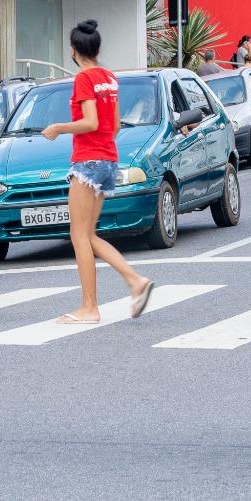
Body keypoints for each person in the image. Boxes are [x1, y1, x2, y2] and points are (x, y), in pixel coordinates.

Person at [42, 20, 154, 323]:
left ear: (73, 50)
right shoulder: (109, 77)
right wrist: (102, 147)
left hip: (88, 161)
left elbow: (90, 122)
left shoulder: (84, 79)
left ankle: (90, 307)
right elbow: (114, 124)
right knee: (88, 234)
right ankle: (134, 281)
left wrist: (59, 128)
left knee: (78, 235)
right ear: (98, 48)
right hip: (108, 159)